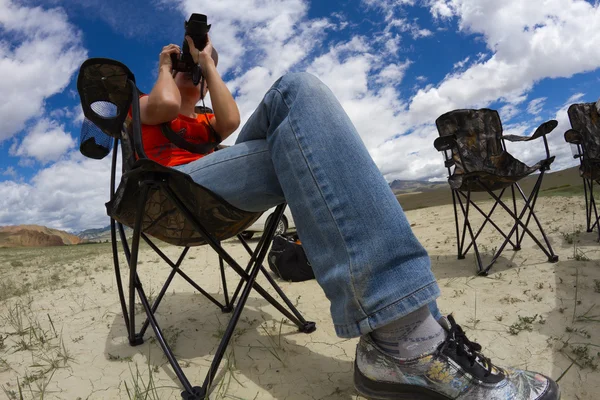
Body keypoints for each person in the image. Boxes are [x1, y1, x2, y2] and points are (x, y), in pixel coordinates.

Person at [139, 35, 560, 400]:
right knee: (298, 120)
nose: (189, 77)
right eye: (184, 72)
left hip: (221, 184)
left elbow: (230, 122)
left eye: (191, 73)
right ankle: (408, 340)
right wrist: (166, 67)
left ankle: (412, 331)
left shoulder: (208, 117)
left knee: (295, 100)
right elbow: (163, 103)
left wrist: (206, 65)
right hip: (168, 191)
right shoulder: (145, 104)